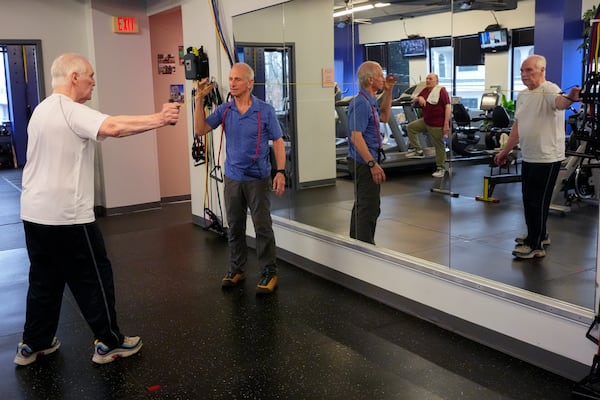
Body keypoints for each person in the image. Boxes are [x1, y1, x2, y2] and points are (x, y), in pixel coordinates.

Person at [14, 53, 180, 366]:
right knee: (93, 277)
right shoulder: (70, 110)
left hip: (34, 214)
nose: (93, 81)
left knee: (44, 280)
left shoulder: (42, 109)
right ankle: (110, 343)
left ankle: (33, 344)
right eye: (90, 75)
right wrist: (160, 118)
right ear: (73, 77)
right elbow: (114, 127)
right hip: (67, 217)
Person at [194, 62, 286, 294]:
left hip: (258, 178)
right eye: (231, 79)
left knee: (262, 227)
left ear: (250, 83)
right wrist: (198, 101)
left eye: (237, 79)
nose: (232, 83)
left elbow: (277, 141)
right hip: (233, 177)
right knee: (234, 226)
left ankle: (268, 271)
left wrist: (281, 172)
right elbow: (201, 130)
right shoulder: (225, 110)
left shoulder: (265, 110)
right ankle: (237, 268)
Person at [494, 54, 581, 259]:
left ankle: (536, 246)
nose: (524, 75)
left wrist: (570, 97)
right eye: (522, 71)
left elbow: (560, 103)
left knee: (537, 201)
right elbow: (518, 126)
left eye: (529, 70)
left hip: (548, 156)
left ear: (542, 71)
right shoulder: (523, 95)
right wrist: (505, 151)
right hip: (530, 155)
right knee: (528, 198)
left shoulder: (549, 88)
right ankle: (539, 234)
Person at [347, 61, 397, 244]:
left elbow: (384, 116)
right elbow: (355, 136)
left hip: (369, 160)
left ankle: (357, 244)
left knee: (366, 206)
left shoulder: (370, 101)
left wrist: (389, 90)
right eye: (380, 76)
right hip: (363, 163)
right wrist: (371, 164)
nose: (383, 79)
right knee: (368, 207)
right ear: (370, 79)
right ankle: (364, 248)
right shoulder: (360, 103)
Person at [406, 73, 451, 178]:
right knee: (411, 127)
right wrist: (420, 98)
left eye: (430, 79)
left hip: (437, 123)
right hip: (426, 121)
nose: (428, 80)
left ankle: (441, 168)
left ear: (436, 81)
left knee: (439, 146)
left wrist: (446, 125)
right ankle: (418, 150)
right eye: (427, 78)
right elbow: (414, 98)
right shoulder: (426, 90)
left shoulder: (441, 90)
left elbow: (448, 107)